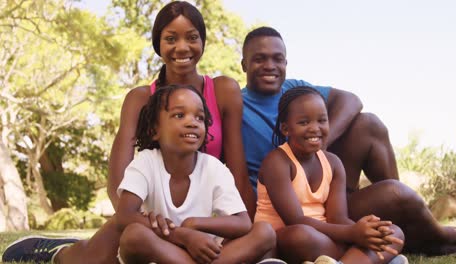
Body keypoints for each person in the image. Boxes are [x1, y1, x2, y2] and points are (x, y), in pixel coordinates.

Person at [241, 26, 456, 255]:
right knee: (304, 236)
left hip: (326, 201)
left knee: (369, 125)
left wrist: (321, 145)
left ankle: (394, 232)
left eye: (277, 59)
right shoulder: (235, 105)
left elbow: (352, 101)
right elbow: (294, 219)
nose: (270, 65)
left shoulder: (297, 91)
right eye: (259, 59)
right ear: (243, 65)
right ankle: (445, 237)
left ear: (286, 64)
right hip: (285, 215)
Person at [3, 84, 277, 264]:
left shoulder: (214, 168)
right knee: (131, 236)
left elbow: (242, 222)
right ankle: (58, 253)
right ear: (154, 130)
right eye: (179, 115)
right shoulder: (146, 162)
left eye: (200, 117)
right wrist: (183, 236)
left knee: (264, 232)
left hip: (195, 250)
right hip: (156, 247)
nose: (193, 121)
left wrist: (195, 225)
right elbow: (125, 216)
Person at [107, 0, 255, 218]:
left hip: (209, 221)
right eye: (171, 39)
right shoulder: (139, 99)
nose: (183, 47)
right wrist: (143, 225)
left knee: (262, 235)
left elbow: (238, 173)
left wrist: (246, 230)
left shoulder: (224, 90)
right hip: (154, 221)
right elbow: (118, 181)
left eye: (192, 37)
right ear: (158, 44)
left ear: (203, 42)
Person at [255, 86, 406, 264]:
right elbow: (295, 220)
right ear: (286, 129)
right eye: (304, 122)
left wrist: (367, 231)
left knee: (395, 232)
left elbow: (337, 217)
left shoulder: (333, 163)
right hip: (286, 240)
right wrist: (353, 234)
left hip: (326, 237)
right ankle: (363, 259)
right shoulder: (277, 162)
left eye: (322, 120)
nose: (315, 128)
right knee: (300, 235)